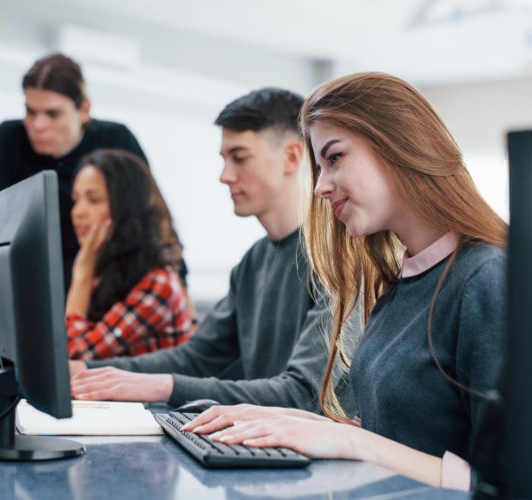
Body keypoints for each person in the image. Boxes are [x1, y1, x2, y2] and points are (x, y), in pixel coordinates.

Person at [182, 72, 508, 493]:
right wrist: (298, 423)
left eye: (334, 158)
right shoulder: (399, 285)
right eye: (319, 167)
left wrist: (350, 441)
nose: (319, 187)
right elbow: (400, 438)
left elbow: (505, 485)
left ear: (398, 145)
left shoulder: (486, 279)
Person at [69, 88, 355, 412]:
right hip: (266, 444)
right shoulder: (253, 262)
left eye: (240, 158)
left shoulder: (338, 256)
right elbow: (197, 357)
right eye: (224, 160)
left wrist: (163, 385)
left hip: (318, 458)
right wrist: (87, 372)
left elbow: (302, 395)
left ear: (291, 156)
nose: (225, 176)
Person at [0, 52, 184, 362]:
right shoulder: (8, 140)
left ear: (83, 109)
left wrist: (181, 298)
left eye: (53, 114)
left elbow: (154, 220)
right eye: (30, 112)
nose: (38, 125)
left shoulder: (116, 142)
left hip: (102, 295)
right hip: (36, 299)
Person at [66, 149, 194, 360]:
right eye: (76, 200)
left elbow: (75, 356)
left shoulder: (157, 283)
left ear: (125, 208)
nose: (77, 212)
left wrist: (82, 274)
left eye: (94, 200)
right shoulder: (109, 274)